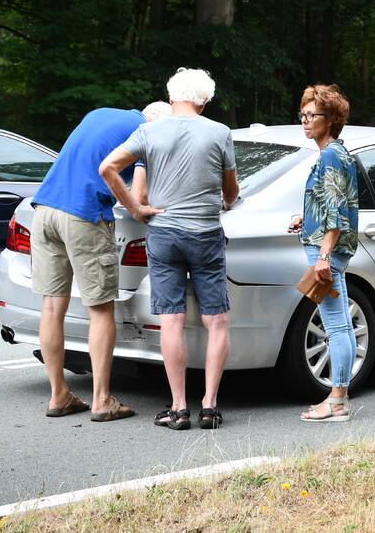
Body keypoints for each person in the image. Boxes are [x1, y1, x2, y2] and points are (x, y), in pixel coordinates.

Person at [99, 68, 239, 431]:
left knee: (171, 321)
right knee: (217, 321)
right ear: (205, 100)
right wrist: (224, 201)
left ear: (172, 94)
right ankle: (209, 405)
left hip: (162, 234)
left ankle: (178, 407)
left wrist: (134, 208)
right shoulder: (219, 133)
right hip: (206, 234)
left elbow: (108, 167)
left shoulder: (148, 131)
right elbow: (231, 192)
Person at [31, 101, 172, 421]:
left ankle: (58, 396)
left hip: (44, 210)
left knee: (52, 305)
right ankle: (102, 399)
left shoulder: (99, 114)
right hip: (83, 215)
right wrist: (138, 209)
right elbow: (140, 195)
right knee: (100, 308)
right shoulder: (148, 133)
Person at [288, 84, 359, 422]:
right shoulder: (338, 152)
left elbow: (337, 211)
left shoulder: (331, 154)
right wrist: (306, 214)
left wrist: (323, 257)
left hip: (326, 249)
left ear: (329, 120)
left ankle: (338, 400)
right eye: (302, 114)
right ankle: (338, 397)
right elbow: (332, 200)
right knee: (340, 322)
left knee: (336, 325)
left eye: (311, 115)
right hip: (326, 244)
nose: (305, 120)